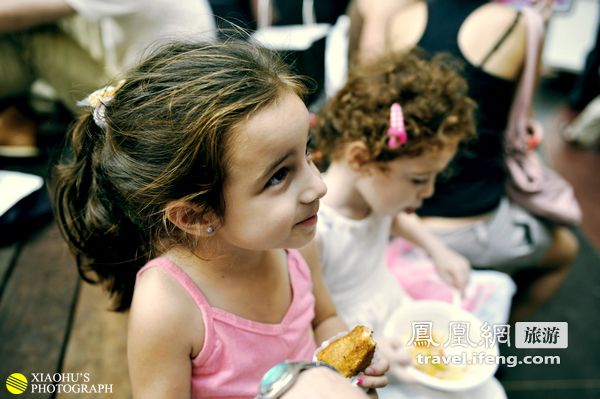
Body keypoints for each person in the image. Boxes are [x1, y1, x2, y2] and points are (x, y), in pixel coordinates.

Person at [51, 40, 388, 398]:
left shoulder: (295, 245)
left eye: (308, 150)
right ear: (195, 215)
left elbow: (324, 319)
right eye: (278, 175)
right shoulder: (168, 307)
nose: (318, 186)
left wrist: (347, 365)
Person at [349, 0, 579, 323]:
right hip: (465, 216)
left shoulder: (399, 16)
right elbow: (521, 122)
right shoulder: (518, 25)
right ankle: (491, 335)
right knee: (565, 250)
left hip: (396, 206)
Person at [303, 49, 508, 398]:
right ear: (360, 158)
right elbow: (313, 322)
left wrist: (437, 249)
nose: (428, 192)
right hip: (350, 333)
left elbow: (392, 217)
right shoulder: (313, 230)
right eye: (417, 180)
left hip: (391, 303)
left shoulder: (375, 194)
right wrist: (368, 348)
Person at [0, 0, 215, 151]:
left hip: (155, 105)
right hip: (152, 84)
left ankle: (21, 114)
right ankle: (20, 115)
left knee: (33, 33)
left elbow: (8, 14)